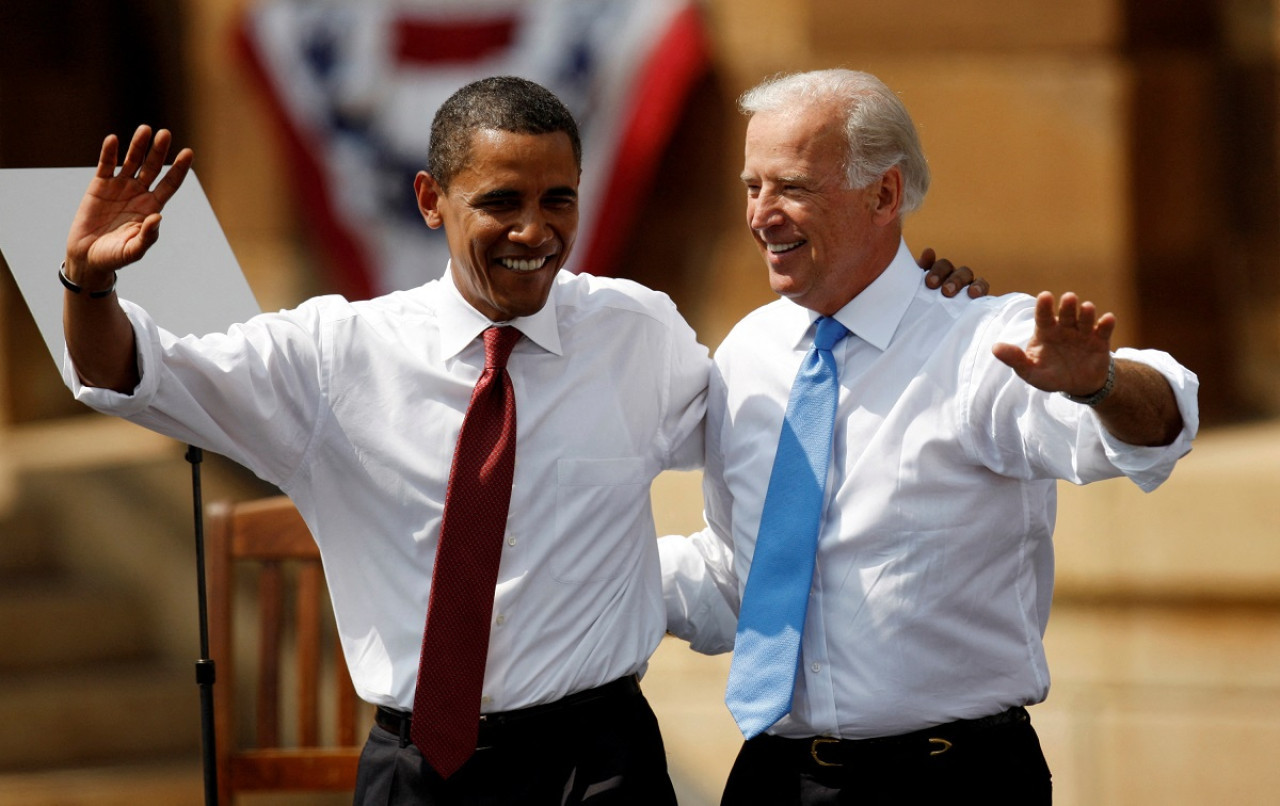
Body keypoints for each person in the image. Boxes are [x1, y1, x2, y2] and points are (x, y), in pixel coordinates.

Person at [59, 75, 978, 804]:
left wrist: (904, 306)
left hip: (603, 762)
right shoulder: (332, 356)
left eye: (559, 199)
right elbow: (134, 374)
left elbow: (781, 401)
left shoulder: (636, 331)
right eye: (501, 200)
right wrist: (87, 287)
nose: (535, 231)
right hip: (421, 770)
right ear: (431, 199)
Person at [659, 68, 1199, 805]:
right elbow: (740, 572)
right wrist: (582, 572)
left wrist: (1097, 383)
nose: (761, 215)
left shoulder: (986, 345)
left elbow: (1160, 425)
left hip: (949, 781)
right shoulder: (745, 353)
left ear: (884, 194)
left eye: (792, 188)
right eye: (752, 186)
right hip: (775, 779)